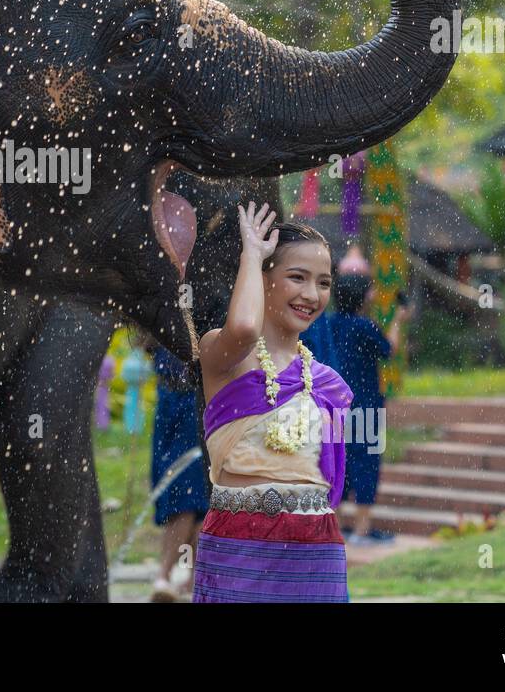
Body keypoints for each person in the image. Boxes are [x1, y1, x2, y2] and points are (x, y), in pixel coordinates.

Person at [193, 203, 354, 603]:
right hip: (239, 543)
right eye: (296, 278)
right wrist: (251, 252)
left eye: (324, 282)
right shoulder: (223, 353)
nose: (311, 295)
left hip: (316, 551)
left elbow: (330, 486)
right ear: (262, 279)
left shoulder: (328, 386)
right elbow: (245, 327)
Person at [327, 246, 410, 543]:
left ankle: (334, 529)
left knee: (338, 463)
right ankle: (362, 531)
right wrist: (399, 319)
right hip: (366, 406)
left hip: (335, 406)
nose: (374, 296)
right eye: (370, 291)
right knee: (367, 462)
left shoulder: (328, 324)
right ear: (361, 297)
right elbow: (389, 350)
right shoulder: (364, 326)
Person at [148, 344, 208, 602]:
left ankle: (167, 572)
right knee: (189, 493)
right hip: (170, 400)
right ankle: (193, 577)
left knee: (187, 493)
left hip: (196, 400)